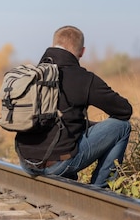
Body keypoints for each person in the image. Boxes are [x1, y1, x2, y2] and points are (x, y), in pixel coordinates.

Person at [15, 25, 132, 188]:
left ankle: (73, 177)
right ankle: (101, 189)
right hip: (58, 165)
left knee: (65, 133)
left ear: (53, 44)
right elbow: (124, 110)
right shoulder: (84, 78)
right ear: (82, 52)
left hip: (25, 162)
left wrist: (85, 125)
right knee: (122, 127)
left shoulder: (33, 74)